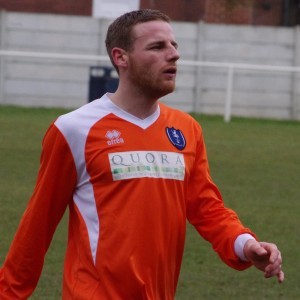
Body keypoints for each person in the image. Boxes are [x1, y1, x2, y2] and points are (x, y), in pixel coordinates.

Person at [0, 9, 284, 299]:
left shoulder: (187, 129)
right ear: (121, 57)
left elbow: (206, 207)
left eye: (174, 46)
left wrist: (245, 244)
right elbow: (37, 225)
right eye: (158, 47)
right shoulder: (73, 129)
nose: (173, 55)